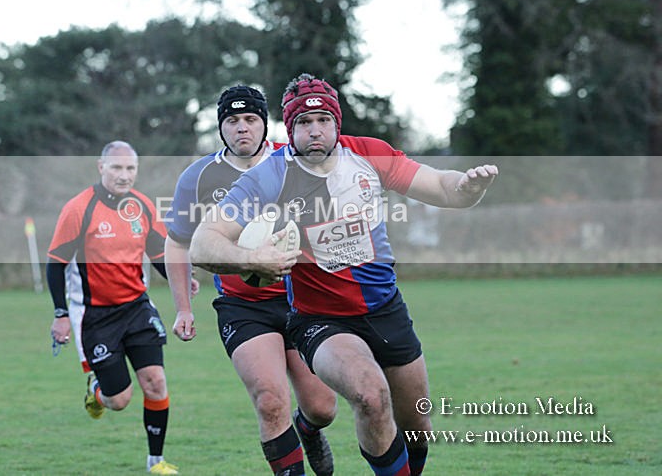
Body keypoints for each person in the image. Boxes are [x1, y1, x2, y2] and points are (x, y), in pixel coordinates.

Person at [189, 74, 499, 475]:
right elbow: (202, 243)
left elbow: (441, 186)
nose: (314, 131)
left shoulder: (369, 154)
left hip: (385, 309)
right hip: (321, 320)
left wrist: (468, 187)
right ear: (289, 127)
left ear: (337, 123)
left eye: (323, 121)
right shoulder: (269, 176)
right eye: (303, 123)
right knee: (371, 396)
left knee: (417, 425)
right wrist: (253, 260)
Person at [165, 85, 337, 476]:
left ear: (265, 124)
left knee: (323, 407)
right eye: (232, 121)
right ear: (221, 127)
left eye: (250, 120)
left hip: (302, 299)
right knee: (270, 401)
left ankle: (308, 429)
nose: (241, 128)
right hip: (244, 307)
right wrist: (182, 308)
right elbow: (177, 243)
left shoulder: (296, 161)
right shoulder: (199, 176)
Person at [47, 141, 197, 475]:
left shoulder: (142, 206)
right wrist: (60, 314)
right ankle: (97, 391)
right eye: (116, 168)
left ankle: (155, 462)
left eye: (130, 168)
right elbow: (55, 264)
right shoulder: (79, 208)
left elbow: (159, 253)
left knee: (156, 381)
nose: (124, 175)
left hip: (137, 308)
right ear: (101, 167)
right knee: (119, 400)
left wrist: (183, 279)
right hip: (96, 316)